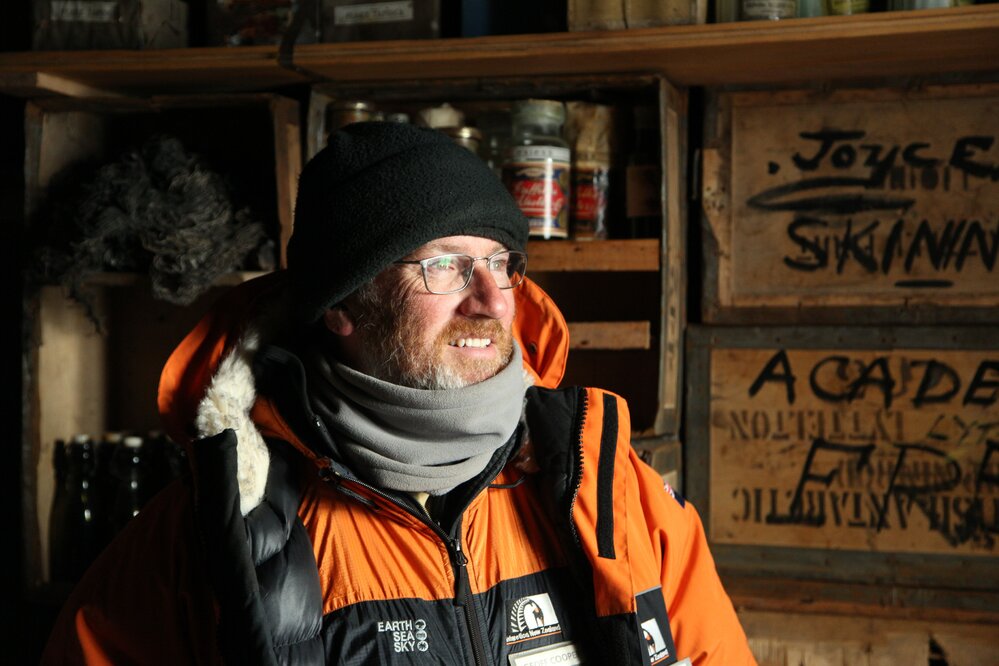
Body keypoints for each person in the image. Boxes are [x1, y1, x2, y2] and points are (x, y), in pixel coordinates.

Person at [42, 121, 756, 665]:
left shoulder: (609, 492)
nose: (491, 302)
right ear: (343, 305)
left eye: (499, 264)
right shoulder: (218, 530)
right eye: (444, 265)